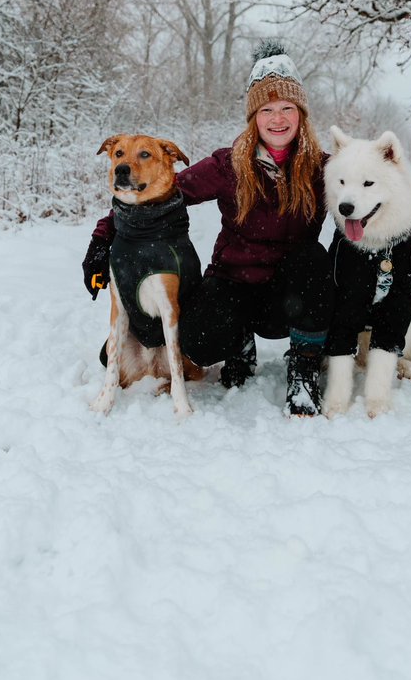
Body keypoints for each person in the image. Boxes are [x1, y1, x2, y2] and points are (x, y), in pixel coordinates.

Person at [82, 42, 333, 417]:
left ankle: (304, 367)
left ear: (301, 114)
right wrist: (103, 238)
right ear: (254, 117)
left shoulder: (324, 169)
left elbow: (375, 202)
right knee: (197, 337)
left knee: (314, 259)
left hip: (286, 293)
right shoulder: (229, 164)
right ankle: (238, 346)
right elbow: (161, 188)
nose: (277, 119)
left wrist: (409, 255)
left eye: (287, 108)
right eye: (266, 109)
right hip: (231, 283)